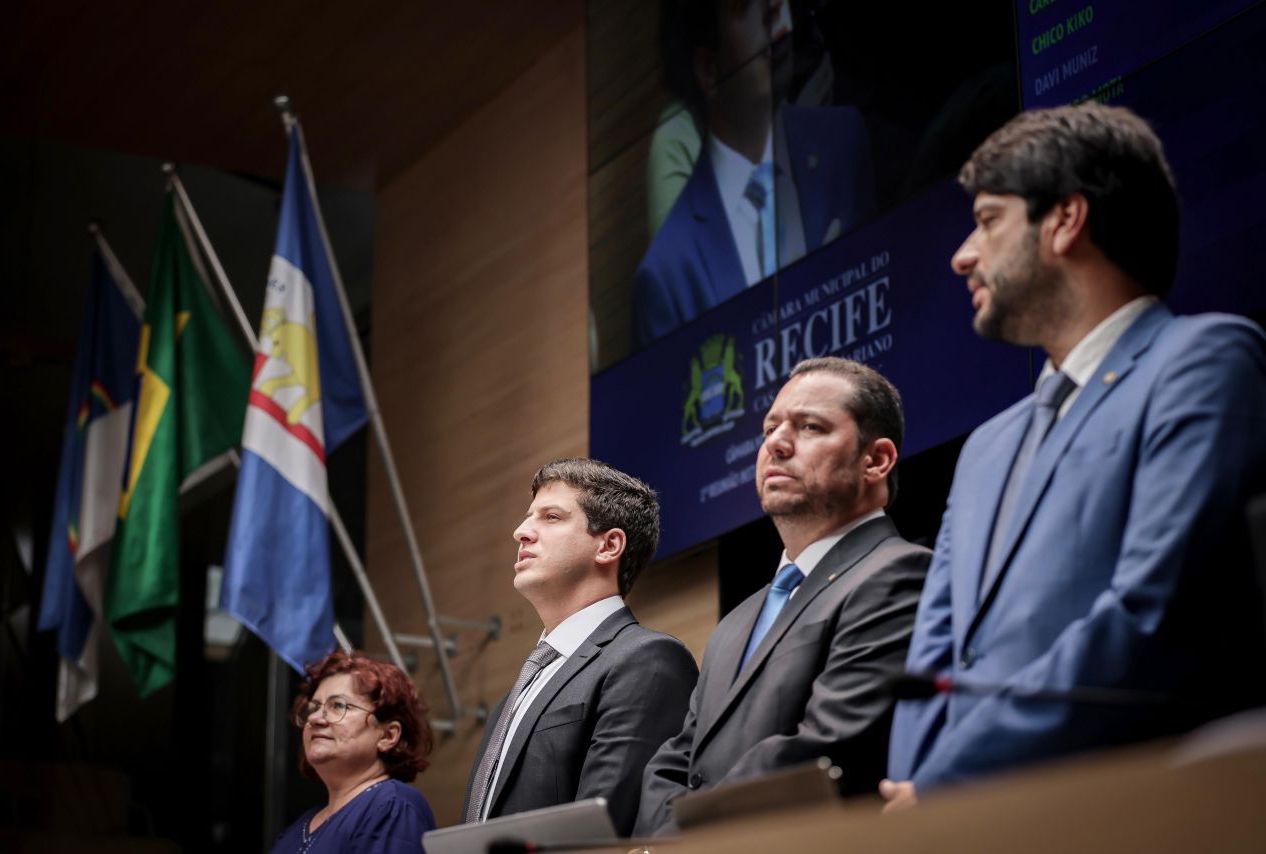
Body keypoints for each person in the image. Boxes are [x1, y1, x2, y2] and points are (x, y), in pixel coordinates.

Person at [882, 103, 1266, 811]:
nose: (963, 254)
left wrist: (946, 784)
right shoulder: (986, 447)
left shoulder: (1204, 360)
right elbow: (935, 657)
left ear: (1064, 220)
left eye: (989, 220)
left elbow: (1154, 614)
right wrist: (918, 795)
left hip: (1124, 811)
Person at [635, 357, 930, 834]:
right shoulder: (736, 621)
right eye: (770, 428)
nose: (776, 443)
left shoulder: (899, 573)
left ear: (875, 460)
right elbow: (673, 763)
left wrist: (678, 842)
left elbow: (827, 748)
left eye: (810, 427)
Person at [460, 459, 698, 836]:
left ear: (609, 545)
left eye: (551, 517)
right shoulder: (515, 694)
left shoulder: (646, 659)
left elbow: (607, 828)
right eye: (528, 517)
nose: (521, 532)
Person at [633, 0, 875, 347]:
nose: (774, 7)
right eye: (745, 4)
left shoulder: (844, 141)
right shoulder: (667, 275)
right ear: (709, 69)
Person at [272, 651, 436, 854]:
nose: (315, 718)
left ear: (388, 736)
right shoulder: (296, 830)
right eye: (313, 708)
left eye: (338, 706)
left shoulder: (392, 806)